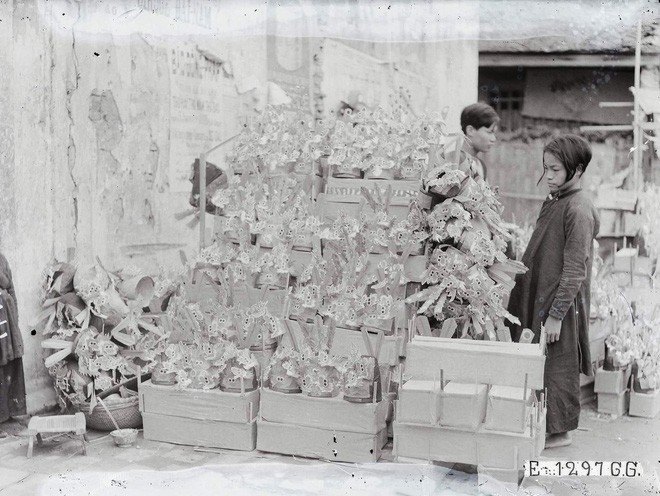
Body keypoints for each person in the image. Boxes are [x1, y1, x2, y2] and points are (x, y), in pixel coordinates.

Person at [507, 135, 599, 449]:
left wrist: (557, 315)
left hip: (561, 303)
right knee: (540, 363)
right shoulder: (556, 199)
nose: (548, 175)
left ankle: (559, 430)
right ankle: (543, 424)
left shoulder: (578, 208)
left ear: (577, 170)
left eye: (556, 169)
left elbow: (575, 269)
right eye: (546, 168)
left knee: (558, 364)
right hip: (541, 293)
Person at [0, 253, 26, 436]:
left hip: (7, 320)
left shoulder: (1, 258)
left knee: (10, 366)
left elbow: (12, 289)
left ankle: (9, 414)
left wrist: (15, 320)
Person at [459, 103, 500, 180]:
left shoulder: (481, 165)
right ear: (470, 130)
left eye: (494, 133)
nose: (493, 139)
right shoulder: (454, 161)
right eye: (489, 132)